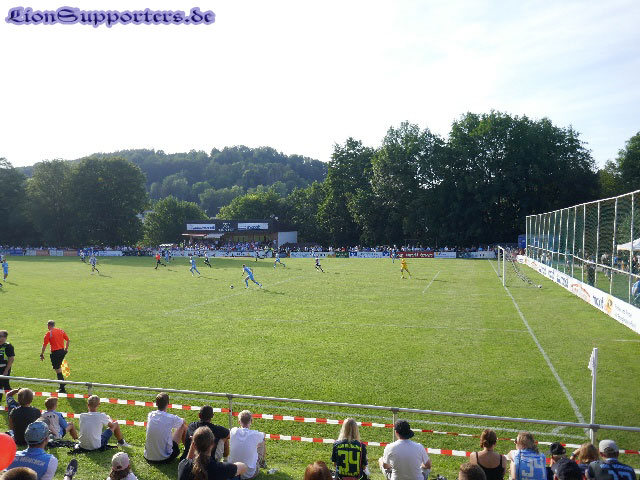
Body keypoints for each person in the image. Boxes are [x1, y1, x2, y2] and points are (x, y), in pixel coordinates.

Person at [178, 426, 247, 480]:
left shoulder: (183, 465)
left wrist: (193, 444)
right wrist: (230, 467)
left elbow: (188, 460)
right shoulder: (220, 468)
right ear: (212, 444)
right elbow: (243, 467)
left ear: (193, 445)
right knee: (235, 476)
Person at [144, 392, 187, 463]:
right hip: (164, 458)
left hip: (148, 456)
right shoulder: (171, 418)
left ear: (156, 403)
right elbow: (183, 421)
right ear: (168, 404)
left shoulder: (150, 415)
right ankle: (188, 450)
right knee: (183, 425)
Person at [228, 410, 266, 479]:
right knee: (262, 441)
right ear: (251, 421)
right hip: (249, 474)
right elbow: (263, 435)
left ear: (239, 422)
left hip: (232, 471)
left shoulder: (233, 431)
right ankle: (263, 463)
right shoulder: (255, 434)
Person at [39, 321, 70, 393]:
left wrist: (42, 354)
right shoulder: (61, 331)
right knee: (58, 367)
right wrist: (66, 349)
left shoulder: (49, 333)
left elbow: (44, 345)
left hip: (55, 353)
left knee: (57, 369)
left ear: (49, 325)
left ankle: (62, 387)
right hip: (62, 352)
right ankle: (62, 383)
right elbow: (68, 340)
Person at [0, 330, 15, 402]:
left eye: (0, 336)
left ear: (5, 337)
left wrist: (6, 370)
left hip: (4, 369)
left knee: (6, 385)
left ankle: (11, 402)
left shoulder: (8, 346)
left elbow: (11, 359)